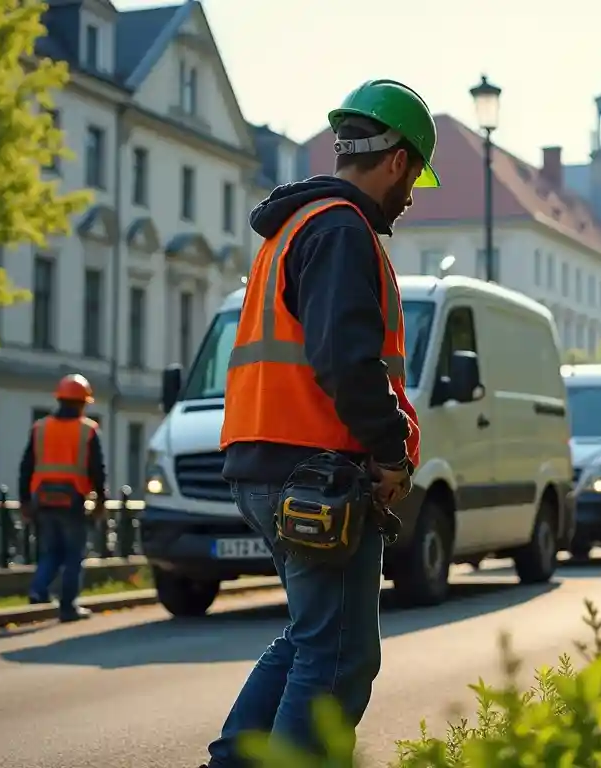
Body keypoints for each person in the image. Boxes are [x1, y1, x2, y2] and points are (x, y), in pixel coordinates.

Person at [204, 79, 434, 768]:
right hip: (316, 472)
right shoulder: (340, 230)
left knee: (312, 640)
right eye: (415, 175)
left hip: (269, 463)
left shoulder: (296, 226)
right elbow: (346, 361)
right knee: (340, 657)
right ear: (395, 161)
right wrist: (391, 452)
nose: (413, 194)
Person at [18, 373, 107, 623]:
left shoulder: (40, 428)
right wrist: (101, 500)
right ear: (82, 402)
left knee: (51, 551)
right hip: (73, 500)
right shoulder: (87, 430)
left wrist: (25, 501)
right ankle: (68, 607)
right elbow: (97, 470)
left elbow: (26, 466)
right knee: (72, 555)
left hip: (43, 499)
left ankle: (38, 589)